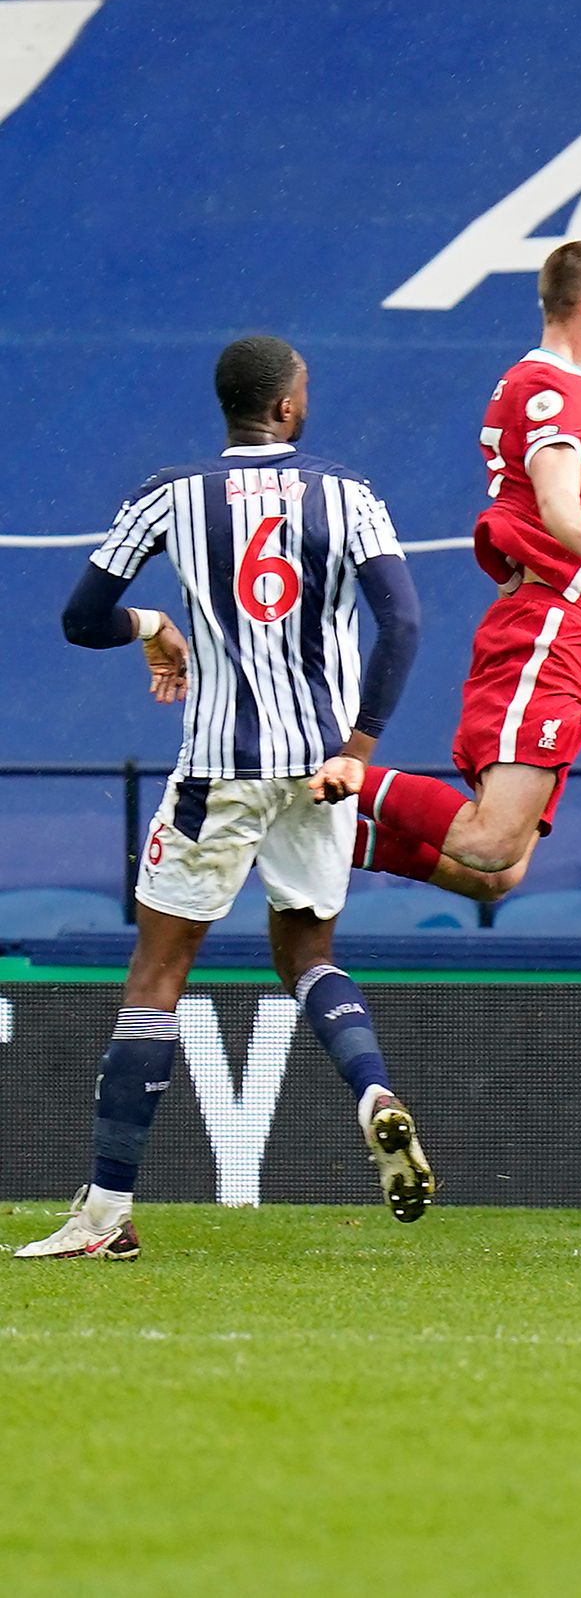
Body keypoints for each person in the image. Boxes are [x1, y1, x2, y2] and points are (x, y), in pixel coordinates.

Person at [20, 337, 430, 1260]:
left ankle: (103, 1217)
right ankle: (372, 1092)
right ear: (287, 406)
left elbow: (82, 619)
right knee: (309, 955)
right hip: (317, 771)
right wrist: (358, 748)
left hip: (217, 770)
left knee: (157, 976)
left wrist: (154, 623)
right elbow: (401, 620)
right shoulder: (347, 495)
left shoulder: (169, 495)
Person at [349, 239, 581, 900]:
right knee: (486, 842)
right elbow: (555, 494)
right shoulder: (551, 388)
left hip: (571, 633)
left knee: (496, 875)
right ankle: (304, 773)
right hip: (549, 631)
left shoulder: (562, 391)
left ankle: (335, 830)